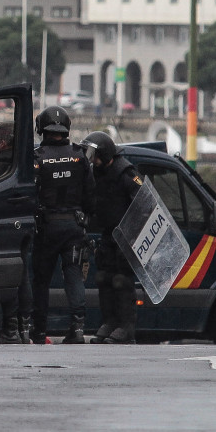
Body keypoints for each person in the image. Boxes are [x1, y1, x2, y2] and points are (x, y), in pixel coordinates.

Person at [30, 106, 94, 345]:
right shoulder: (79, 156)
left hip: (46, 229)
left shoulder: (37, 158)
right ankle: (77, 330)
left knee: (41, 281)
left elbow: (30, 195)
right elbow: (91, 195)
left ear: (41, 128)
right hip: (74, 228)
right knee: (74, 277)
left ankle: (38, 332)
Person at [81, 131, 143, 344]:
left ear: (105, 154)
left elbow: (143, 203)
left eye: (94, 155)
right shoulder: (96, 173)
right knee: (103, 278)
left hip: (126, 236)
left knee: (121, 281)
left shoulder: (125, 172)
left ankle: (126, 327)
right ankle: (110, 322)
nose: (92, 159)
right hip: (108, 234)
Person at [0, 123, 33, 344]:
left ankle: (11, 329)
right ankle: (24, 328)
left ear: (5, 142)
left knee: (10, 277)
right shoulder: (25, 164)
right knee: (24, 276)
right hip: (25, 225)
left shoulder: (1, 164)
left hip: (5, 226)